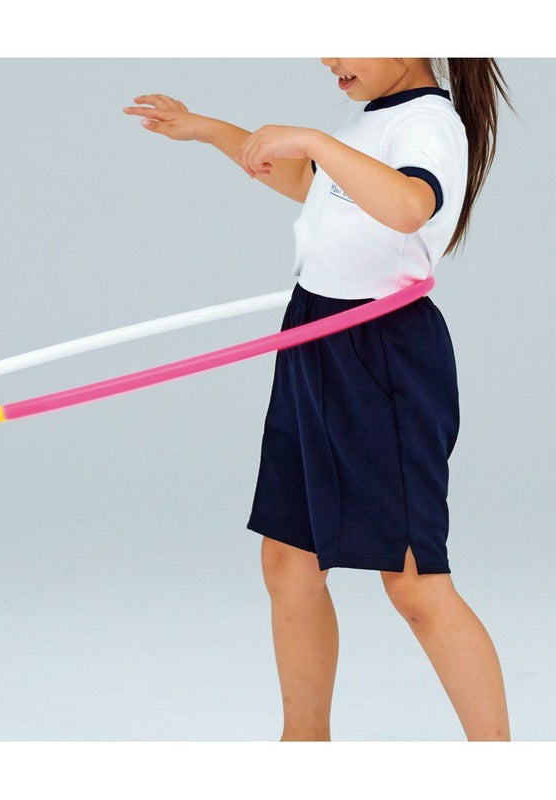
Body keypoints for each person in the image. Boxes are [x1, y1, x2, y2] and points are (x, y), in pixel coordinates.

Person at [122, 58, 516, 742]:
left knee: (415, 581)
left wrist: (314, 139)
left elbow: (409, 205)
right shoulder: (371, 122)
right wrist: (209, 130)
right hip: (314, 335)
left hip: (382, 357)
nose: (329, 56)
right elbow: (313, 186)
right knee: (289, 559)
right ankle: (304, 747)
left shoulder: (427, 123)